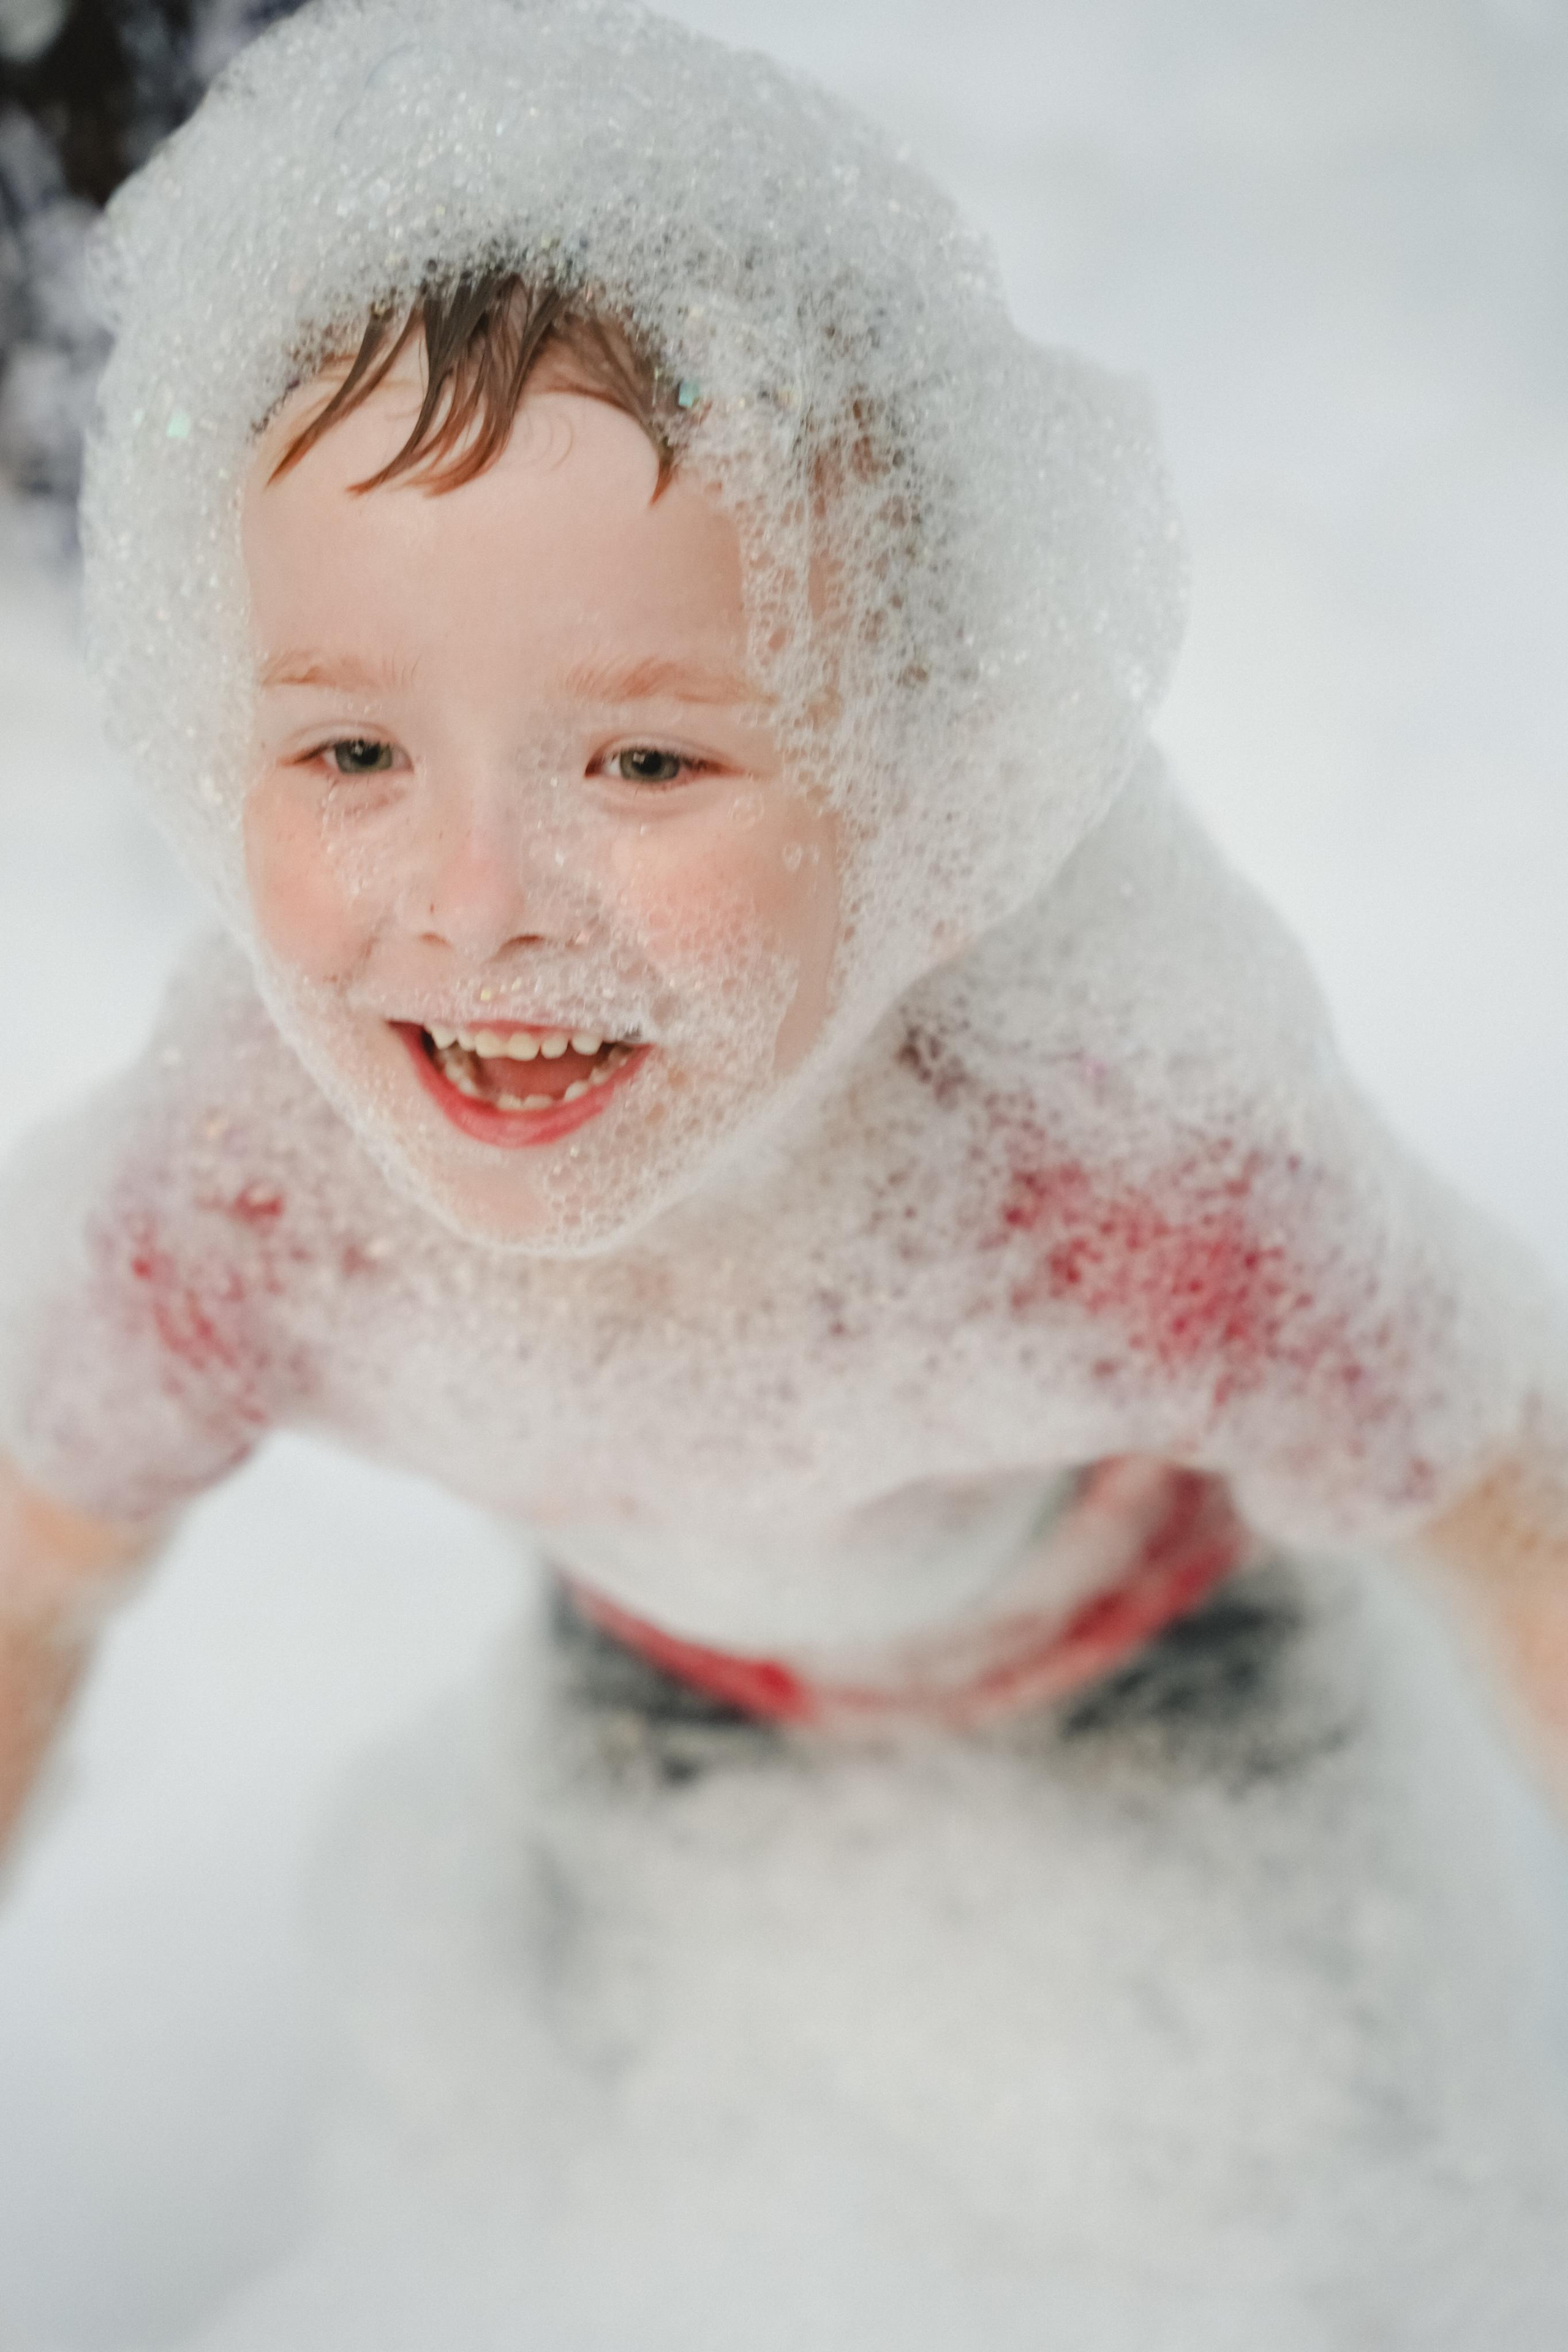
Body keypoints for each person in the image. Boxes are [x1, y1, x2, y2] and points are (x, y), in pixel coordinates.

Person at [2, 0, 1566, 1853]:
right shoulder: (245, 1193)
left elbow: (1518, 1520)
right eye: (353, 748)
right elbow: (23, 1581)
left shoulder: (1123, 1176)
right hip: (668, 1677)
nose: (477, 905)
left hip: (1154, 1659)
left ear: (914, 796)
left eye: (648, 762)